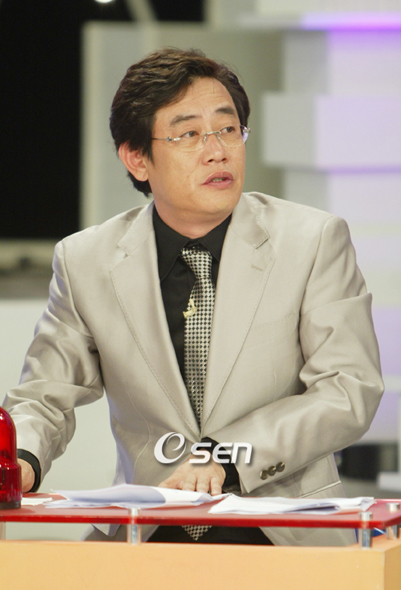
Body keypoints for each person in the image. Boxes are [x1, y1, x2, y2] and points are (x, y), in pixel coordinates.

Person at [3, 48, 383, 546]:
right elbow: (44, 397)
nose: (217, 151)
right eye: (188, 135)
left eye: (228, 129)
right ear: (137, 158)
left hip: (282, 530)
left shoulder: (312, 241)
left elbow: (347, 388)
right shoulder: (86, 261)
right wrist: (19, 462)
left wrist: (224, 456)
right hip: (147, 531)